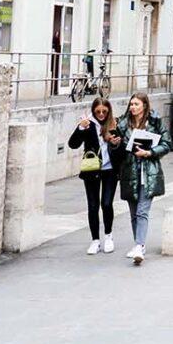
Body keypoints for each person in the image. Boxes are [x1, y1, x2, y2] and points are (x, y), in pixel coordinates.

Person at [116, 91, 172, 265]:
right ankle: (138, 244)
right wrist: (115, 143)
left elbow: (167, 143)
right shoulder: (123, 124)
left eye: (136, 104)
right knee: (133, 213)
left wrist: (149, 152)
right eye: (131, 104)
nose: (133, 107)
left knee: (142, 211)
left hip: (149, 172)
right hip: (129, 172)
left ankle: (139, 246)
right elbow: (117, 149)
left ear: (145, 106)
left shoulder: (155, 122)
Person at [69, 97, 122, 256]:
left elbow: (121, 149)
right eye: (97, 111)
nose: (101, 114)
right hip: (92, 169)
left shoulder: (114, 124)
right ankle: (95, 240)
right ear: (93, 111)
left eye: (104, 112)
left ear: (108, 111)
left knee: (107, 203)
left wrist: (115, 143)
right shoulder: (88, 124)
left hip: (110, 170)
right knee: (93, 205)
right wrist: (80, 128)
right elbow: (73, 144)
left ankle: (108, 236)